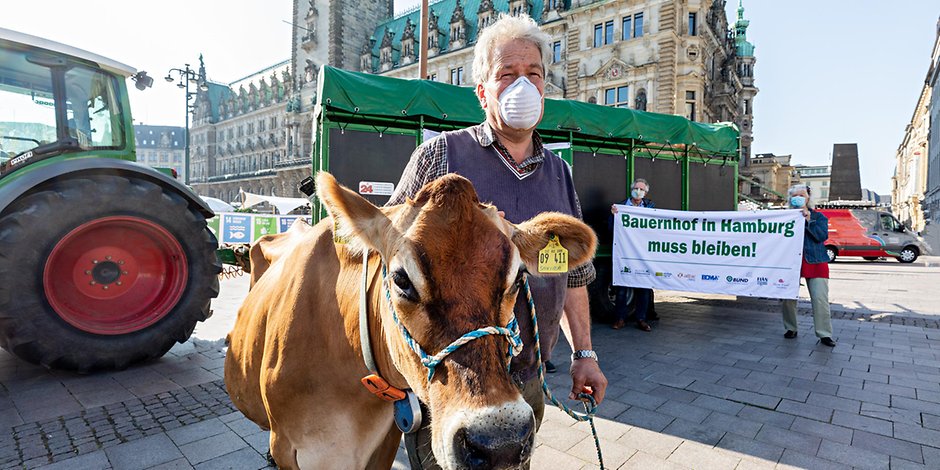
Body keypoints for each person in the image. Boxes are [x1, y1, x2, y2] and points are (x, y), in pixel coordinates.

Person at [387, 13, 607, 460]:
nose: (522, 85)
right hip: (450, 384)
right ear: (483, 91)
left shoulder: (559, 174)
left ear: (545, 86)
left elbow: (573, 277)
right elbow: (388, 260)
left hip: (527, 379)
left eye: (534, 74)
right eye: (507, 74)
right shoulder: (440, 155)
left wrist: (585, 353)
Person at [781, 184, 836, 347]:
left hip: (816, 261)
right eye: (795, 195)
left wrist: (808, 220)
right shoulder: (784, 217)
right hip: (791, 262)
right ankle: (791, 328)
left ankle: (824, 333)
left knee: (820, 299)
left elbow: (821, 236)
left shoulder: (819, 217)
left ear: (808, 198)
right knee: (787, 298)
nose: (798, 198)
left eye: (801, 195)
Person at [609, 178, 656, 331]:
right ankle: (620, 319)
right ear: (631, 190)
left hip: (643, 254)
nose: (638, 191)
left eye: (642, 189)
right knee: (622, 287)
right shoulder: (620, 207)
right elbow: (611, 229)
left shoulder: (651, 207)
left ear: (646, 192)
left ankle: (641, 319)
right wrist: (613, 215)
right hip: (626, 252)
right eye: (636, 188)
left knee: (643, 288)